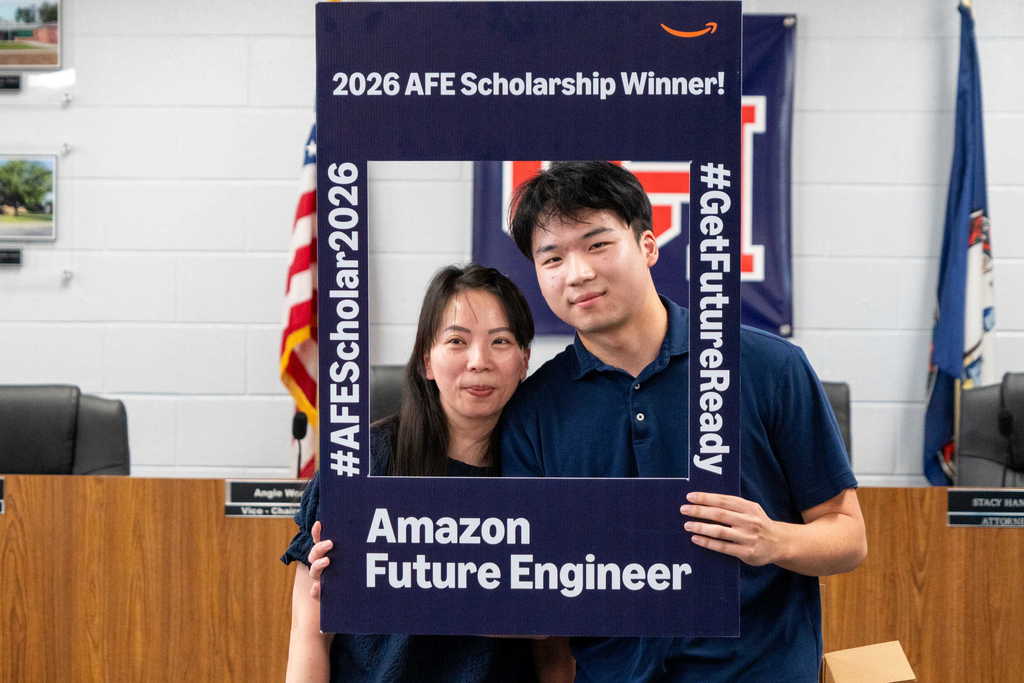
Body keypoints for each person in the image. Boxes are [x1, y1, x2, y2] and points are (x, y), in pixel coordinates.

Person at [499, 161, 867, 682]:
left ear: (648, 246)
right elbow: (536, 588)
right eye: (552, 257)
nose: (576, 273)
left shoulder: (768, 367)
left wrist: (774, 540)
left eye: (597, 244)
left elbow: (848, 537)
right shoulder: (532, 410)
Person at [282, 264, 573, 683]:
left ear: (524, 360)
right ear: (426, 362)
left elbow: (555, 652)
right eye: (457, 341)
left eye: (501, 341)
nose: (479, 361)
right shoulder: (360, 463)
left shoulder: (547, 473)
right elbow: (309, 635)